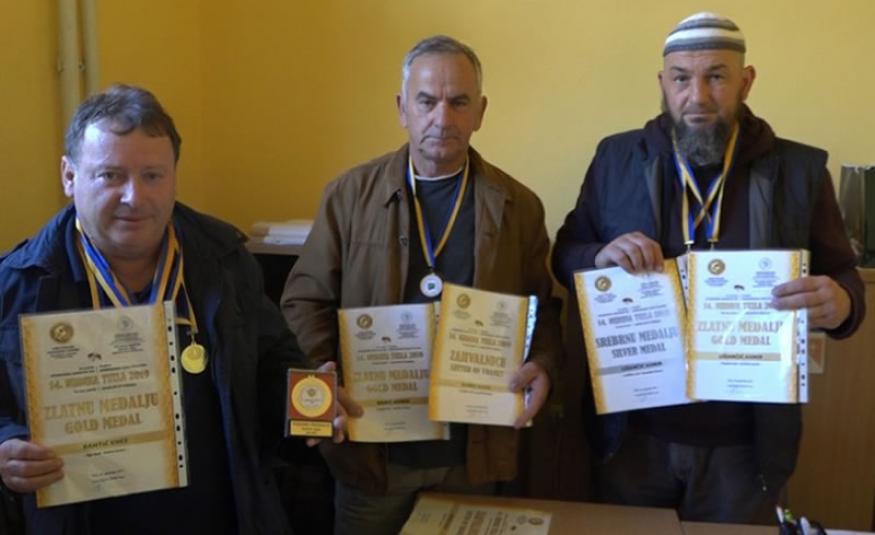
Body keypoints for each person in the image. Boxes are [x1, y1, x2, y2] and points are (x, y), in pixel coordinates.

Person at [552, 12, 866, 524]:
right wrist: (596, 257)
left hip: (746, 449)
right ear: (663, 83)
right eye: (681, 78)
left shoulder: (799, 171)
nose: (696, 96)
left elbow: (846, 276)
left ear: (746, 81)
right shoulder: (615, 158)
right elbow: (566, 251)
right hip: (633, 437)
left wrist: (842, 302)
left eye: (716, 76)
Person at [0, 84, 311, 534]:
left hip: (219, 519)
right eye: (111, 175)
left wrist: (310, 400)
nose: (135, 197)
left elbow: (273, 359)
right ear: (69, 176)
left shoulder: (226, 261)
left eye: (152, 176)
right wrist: (5, 444)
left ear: (173, 177)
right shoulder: (16, 283)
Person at [281, 35, 561, 534]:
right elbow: (304, 300)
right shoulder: (349, 195)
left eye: (459, 102)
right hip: (372, 457)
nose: (442, 118)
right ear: (402, 109)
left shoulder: (519, 205)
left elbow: (541, 310)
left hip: (474, 453)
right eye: (427, 101)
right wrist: (322, 376)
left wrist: (541, 361)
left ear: (480, 112)